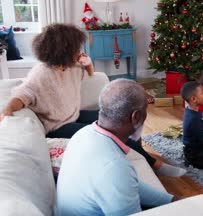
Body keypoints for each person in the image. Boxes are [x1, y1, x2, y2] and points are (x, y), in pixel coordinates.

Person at [0, 23, 185, 177]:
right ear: (63, 50)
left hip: (74, 115)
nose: (79, 51)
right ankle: (154, 164)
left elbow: (88, 75)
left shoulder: (71, 67)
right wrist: (7, 110)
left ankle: (141, 154)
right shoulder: (41, 73)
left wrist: (88, 64)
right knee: (113, 130)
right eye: (76, 48)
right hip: (57, 126)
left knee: (126, 117)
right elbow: (23, 94)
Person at [55, 79, 178, 216]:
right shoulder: (114, 167)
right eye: (145, 109)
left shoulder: (83, 134)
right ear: (135, 117)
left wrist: (172, 200)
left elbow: (131, 185)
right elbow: (120, 180)